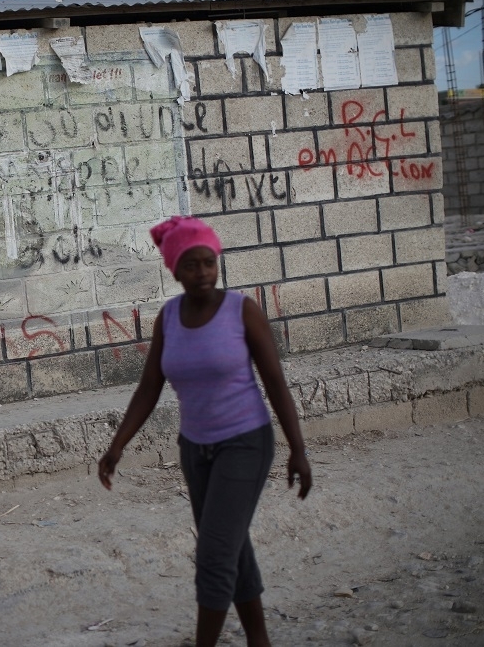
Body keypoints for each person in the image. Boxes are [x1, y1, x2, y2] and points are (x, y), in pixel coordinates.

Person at [97, 216, 312, 647]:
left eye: (208, 263)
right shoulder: (169, 318)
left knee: (214, 555)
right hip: (195, 450)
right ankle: (259, 641)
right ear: (175, 270)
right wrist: (117, 445)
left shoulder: (241, 311)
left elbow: (275, 382)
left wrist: (298, 450)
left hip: (245, 443)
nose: (202, 274)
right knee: (230, 546)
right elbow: (149, 387)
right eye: (191, 265)